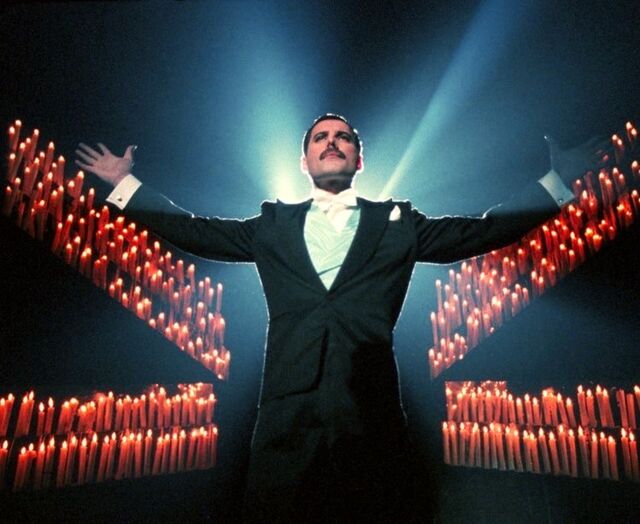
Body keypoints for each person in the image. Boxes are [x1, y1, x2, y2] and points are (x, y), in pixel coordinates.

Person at [76, 114, 603, 523]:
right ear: (304, 161)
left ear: (358, 159)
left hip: (369, 408)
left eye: (343, 137)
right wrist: (126, 185)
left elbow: (481, 232)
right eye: (320, 138)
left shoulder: (398, 222)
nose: (332, 142)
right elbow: (195, 232)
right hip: (287, 406)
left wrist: (556, 183)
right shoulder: (272, 223)